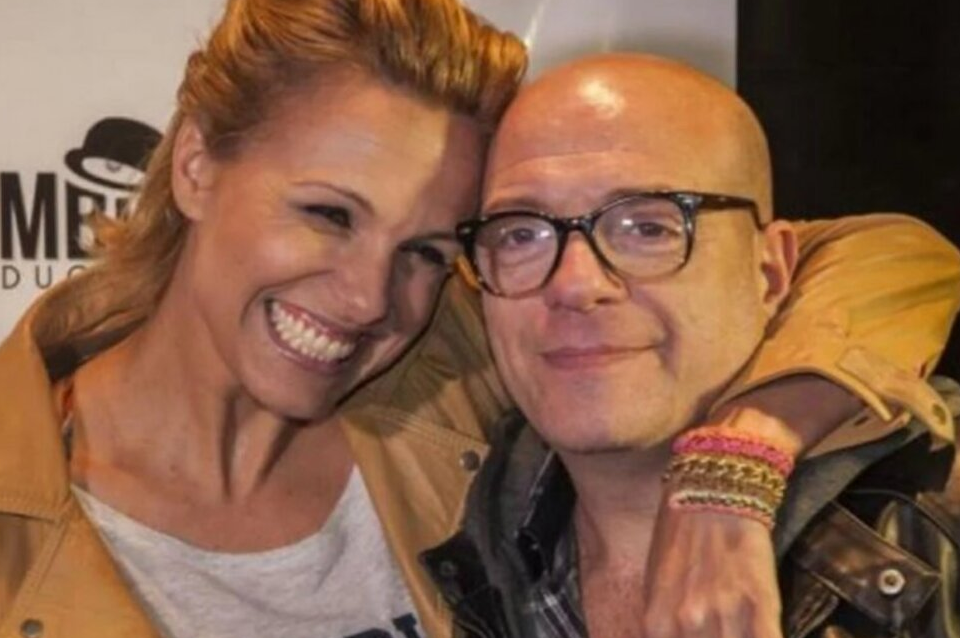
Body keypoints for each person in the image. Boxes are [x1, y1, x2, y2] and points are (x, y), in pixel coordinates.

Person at [0, 2, 956, 637]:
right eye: (328, 214)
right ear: (196, 165)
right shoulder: (22, 514)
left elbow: (888, 256)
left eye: (425, 251)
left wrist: (736, 462)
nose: (368, 300)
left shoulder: (439, 370)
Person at [418, 52, 960, 638]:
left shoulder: (934, 519)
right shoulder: (476, 535)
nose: (575, 284)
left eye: (648, 227)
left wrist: (735, 463)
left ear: (770, 271)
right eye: (520, 234)